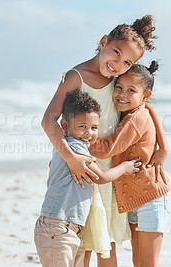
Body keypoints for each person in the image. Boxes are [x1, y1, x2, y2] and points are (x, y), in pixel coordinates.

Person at [41, 15, 169, 266]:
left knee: (104, 239)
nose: (118, 64)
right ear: (103, 42)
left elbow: (145, 105)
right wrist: (71, 158)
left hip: (110, 172)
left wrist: (163, 147)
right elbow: (49, 120)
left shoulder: (117, 81)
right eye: (116, 53)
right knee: (83, 240)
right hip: (82, 167)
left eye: (127, 62)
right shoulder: (76, 76)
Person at [34, 91, 142, 267]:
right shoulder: (75, 146)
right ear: (65, 126)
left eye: (94, 128)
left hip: (71, 228)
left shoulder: (65, 148)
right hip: (58, 226)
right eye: (82, 126)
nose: (89, 133)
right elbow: (100, 177)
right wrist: (125, 167)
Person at [89, 61, 171, 267]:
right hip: (136, 199)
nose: (122, 94)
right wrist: (164, 147)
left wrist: (81, 138)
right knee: (139, 262)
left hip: (151, 197)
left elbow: (108, 148)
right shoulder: (137, 111)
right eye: (119, 87)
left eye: (131, 90)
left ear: (144, 95)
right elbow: (150, 108)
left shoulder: (134, 119)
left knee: (147, 263)